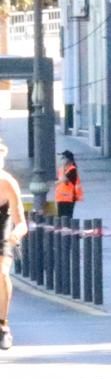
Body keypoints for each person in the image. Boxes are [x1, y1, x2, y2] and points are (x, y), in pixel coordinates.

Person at [0, 140, 27, 351]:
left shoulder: (7, 183)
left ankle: (3, 325)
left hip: (3, 234)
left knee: (2, 274)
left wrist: (15, 235)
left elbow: (21, 223)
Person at [54, 151, 82, 220]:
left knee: (67, 218)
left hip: (69, 198)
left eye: (63, 158)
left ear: (68, 159)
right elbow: (56, 181)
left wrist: (63, 167)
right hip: (61, 198)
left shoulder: (72, 169)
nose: (61, 160)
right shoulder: (61, 170)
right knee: (60, 218)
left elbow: (65, 180)